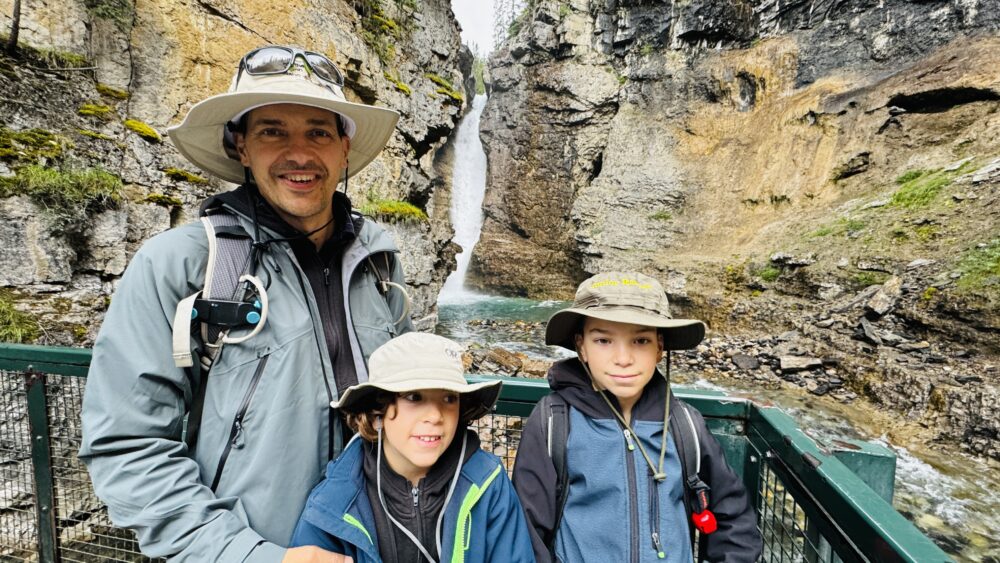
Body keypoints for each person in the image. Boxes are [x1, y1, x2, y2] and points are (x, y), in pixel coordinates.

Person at [80, 45, 412, 562]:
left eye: (319, 132)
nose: (298, 153)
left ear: (344, 148)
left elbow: (410, 406)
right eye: (272, 130)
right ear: (241, 145)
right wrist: (253, 555)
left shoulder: (380, 267)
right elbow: (129, 447)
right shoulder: (183, 264)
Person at [512, 272, 762, 563]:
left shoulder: (685, 425)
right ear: (582, 346)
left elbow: (733, 519)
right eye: (603, 340)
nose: (623, 358)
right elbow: (528, 532)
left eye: (640, 340)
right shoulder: (553, 422)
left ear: (660, 348)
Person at [289, 332, 535, 562]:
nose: (436, 416)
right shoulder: (333, 501)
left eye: (449, 398)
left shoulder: (488, 484)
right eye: (414, 397)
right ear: (378, 412)